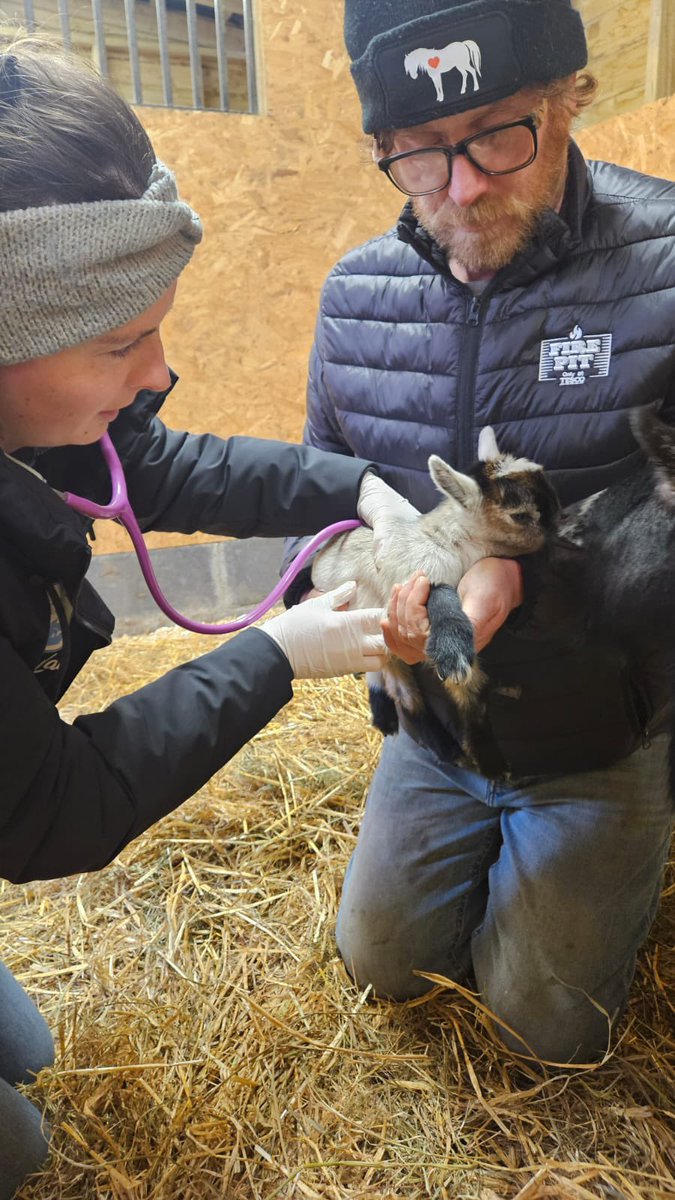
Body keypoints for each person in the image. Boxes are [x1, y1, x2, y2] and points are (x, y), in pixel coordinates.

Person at [0, 36, 422, 1197]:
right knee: (22, 1153)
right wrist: (276, 653)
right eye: (122, 341)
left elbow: (159, 460)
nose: (158, 370)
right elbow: (50, 814)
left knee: (25, 1056)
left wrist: (350, 484)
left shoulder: (50, 406)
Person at [288, 0, 675, 1066]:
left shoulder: (666, 266)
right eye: (419, 155)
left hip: (598, 736)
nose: (461, 187)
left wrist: (528, 590)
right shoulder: (358, 297)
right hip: (438, 730)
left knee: (539, 1027)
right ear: (383, 149)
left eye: (505, 132)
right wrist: (334, 608)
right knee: (379, 968)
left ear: (570, 101)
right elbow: (322, 500)